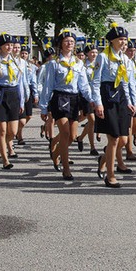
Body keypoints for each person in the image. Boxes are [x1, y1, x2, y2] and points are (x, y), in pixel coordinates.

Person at [39, 29, 94, 180]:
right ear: (61, 45)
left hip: (74, 98)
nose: (69, 44)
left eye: (72, 41)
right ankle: (66, 168)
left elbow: (83, 85)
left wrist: (91, 99)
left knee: (72, 136)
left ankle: (56, 153)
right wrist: (44, 107)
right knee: (64, 132)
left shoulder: (78, 63)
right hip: (60, 97)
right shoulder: (54, 63)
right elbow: (48, 86)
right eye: (66, 41)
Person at [91, 24, 135, 187]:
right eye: (121, 40)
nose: (124, 42)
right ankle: (110, 175)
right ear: (112, 41)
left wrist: (129, 101)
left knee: (123, 139)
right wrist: (98, 103)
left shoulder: (124, 58)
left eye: (125, 39)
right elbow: (95, 81)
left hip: (121, 97)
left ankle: (104, 158)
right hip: (107, 95)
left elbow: (125, 82)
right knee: (114, 138)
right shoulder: (103, 57)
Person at [0, 33, 26, 169]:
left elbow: (20, 83)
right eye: (6, 45)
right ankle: (5, 159)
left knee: (13, 131)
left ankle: (0, 145)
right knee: (1, 130)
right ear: (0, 47)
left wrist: (21, 101)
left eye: (11, 45)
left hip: (13, 94)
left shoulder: (17, 62)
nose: (9, 47)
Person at [76, 43, 99, 156]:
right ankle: (92, 147)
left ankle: (80, 138)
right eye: (91, 52)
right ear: (87, 54)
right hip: (86, 96)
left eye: (95, 52)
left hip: (97, 95)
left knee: (92, 122)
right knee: (92, 120)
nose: (94, 54)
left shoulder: (99, 64)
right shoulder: (83, 66)